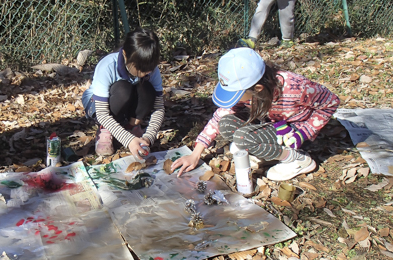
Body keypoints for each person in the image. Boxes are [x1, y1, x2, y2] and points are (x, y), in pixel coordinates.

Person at [172, 48, 339, 181]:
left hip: (293, 132)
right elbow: (220, 116)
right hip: (272, 123)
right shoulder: (252, 90)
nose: (234, 100)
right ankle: (267, 151)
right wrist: (195, 154)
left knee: (244, 139)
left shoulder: (295, 87)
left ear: (257, 89)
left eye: (236, 94)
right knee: (226, 124)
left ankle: (298, 160)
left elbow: (331, 102)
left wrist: (304, 132)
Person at [82, 28, 165, 159]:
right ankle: (105, 129)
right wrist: (129, 141)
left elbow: (158, 108)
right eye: (139, 70)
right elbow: (102, 113)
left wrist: (149, 137)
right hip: (97, 104)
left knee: (147, 89)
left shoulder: (151, 69)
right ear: (125, 55)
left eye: (148, 70)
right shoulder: (107, 66)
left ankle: (131, 126)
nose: (144, 74)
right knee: (122, 89)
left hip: (128, 97)